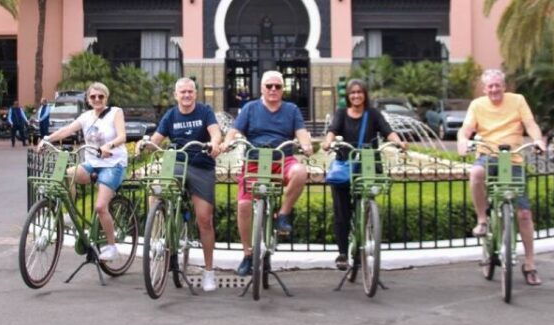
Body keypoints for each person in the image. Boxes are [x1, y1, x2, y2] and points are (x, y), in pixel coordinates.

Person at [456, 69, 547, 286]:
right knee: (476, 172)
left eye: (498, 85)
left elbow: (530, 124)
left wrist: (538, 140)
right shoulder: (477, 105)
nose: (494, 89)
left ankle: (530, 264)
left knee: (524, 214)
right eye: (490, 86)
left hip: (513, 159)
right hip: (488, 155)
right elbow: (465, 129)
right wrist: (463, 141)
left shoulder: (518, 100)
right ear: (484, 89)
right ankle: (482, 220)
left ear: (504, 87)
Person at [221, 70, 313, 277]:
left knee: (300, 172)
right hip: (254, 160)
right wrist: (227, 142)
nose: (273, 89)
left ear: (282, 89)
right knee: (244, 205)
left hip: (282, 159)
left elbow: (302, 134)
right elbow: (234, 131)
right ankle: (247, 255)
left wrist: (306, 145)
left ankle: (283, 214)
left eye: (277, 86)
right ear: (261, 88)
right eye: (269, 86)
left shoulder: (292, 109)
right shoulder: (250, 108)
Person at [36, 82, 127, 262]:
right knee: (66, 175)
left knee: (100, 207)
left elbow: (122, 136)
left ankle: (112, 247)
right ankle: (69, 214)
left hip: (113, 164)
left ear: (106, 97)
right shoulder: (86, 116)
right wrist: (47, 139)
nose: (97, 99)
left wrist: (109, 145)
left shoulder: (116, 112)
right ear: (88, 99)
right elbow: (67, 130)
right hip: (92, 163)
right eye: (93, 96)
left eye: (101, 96)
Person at [148, 77, 222, 292]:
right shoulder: (171, 115)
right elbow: (156, 139)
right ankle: (159, 232)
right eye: (183, 92)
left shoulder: (205, 111)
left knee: (204, 219)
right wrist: (147, 144)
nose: (187, 95)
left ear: (195, 94)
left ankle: (209, 271)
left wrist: (214, 144)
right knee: (155, 188)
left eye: (190, 91)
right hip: (176, 163)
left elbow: (215, 132)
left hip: (201, 165)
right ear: (176, 95)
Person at [322, 79, 405, 271]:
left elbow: (388, 131)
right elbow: (333, 130)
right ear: (348, 96)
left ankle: (364, 230)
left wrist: (399, 142)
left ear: (365, 94)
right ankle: (343, 253)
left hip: (368, 165)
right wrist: (327, 142)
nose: (356, 95)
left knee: (366, 201)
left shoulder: (373, 114)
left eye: (359, 92)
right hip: (345, 165)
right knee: (342, 211)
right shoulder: (341, 113)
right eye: (352, 92)